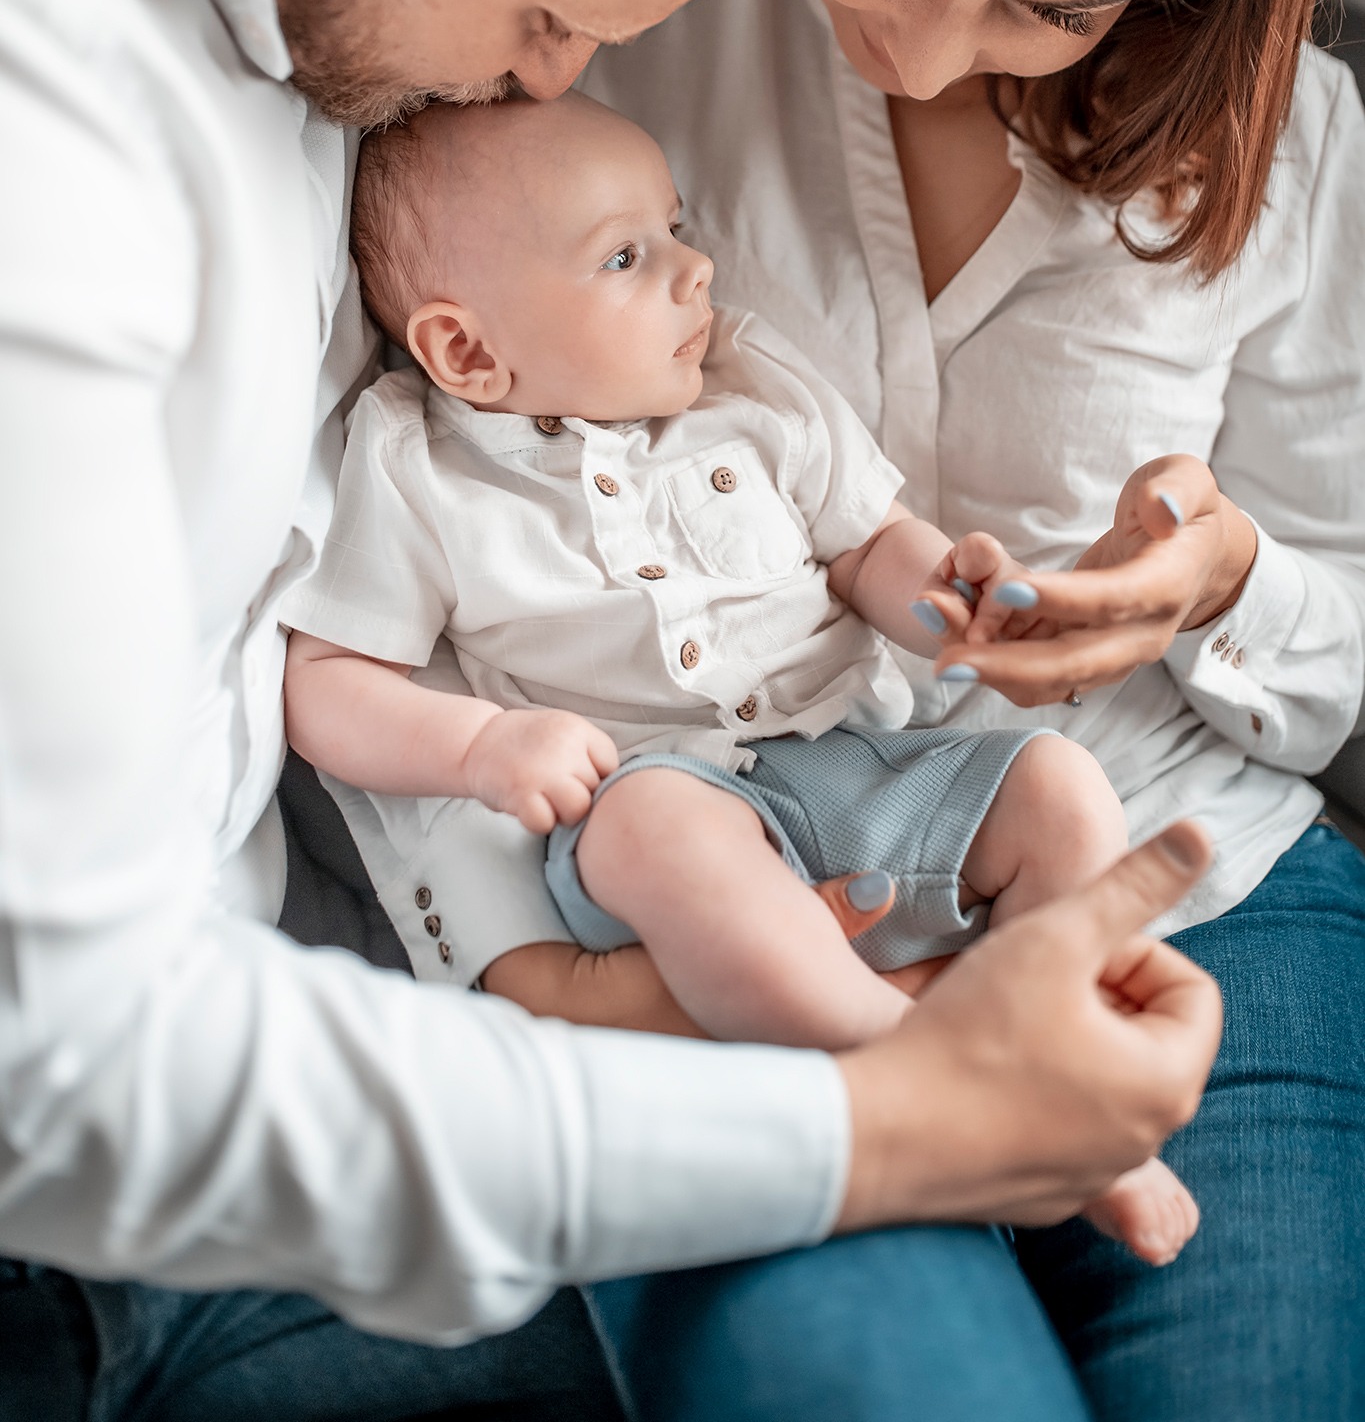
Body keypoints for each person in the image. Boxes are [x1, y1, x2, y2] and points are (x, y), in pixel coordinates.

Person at [0, 0, 1222, 1422]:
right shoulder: (49, 126)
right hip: (118, 1212)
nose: (542, 81)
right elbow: (82, 1073)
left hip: (318, 1093)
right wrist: (889, 1123)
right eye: (552, 24)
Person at [431, 0, 1362, 1418]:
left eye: (1052, 2)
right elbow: (426, 498)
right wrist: (548, 966)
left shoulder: (1297, 156)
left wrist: (1228, 583)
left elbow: (1334, 625)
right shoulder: (622, 16)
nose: (930, 48)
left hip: (1181, 862)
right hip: (746, 880)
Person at [281, 90, 1198, 1265]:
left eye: (676, 226)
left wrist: (963, 608)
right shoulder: (419, 468)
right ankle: (919, 1062)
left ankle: (1055, 1042)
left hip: (862, 764)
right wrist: (479, 748)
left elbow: (870, 544)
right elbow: (330, 681)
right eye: (628, 255)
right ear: (469, 349)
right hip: (668, 805)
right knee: (652, 827)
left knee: (1062, 788)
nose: (695, 269)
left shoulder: (752, 390)